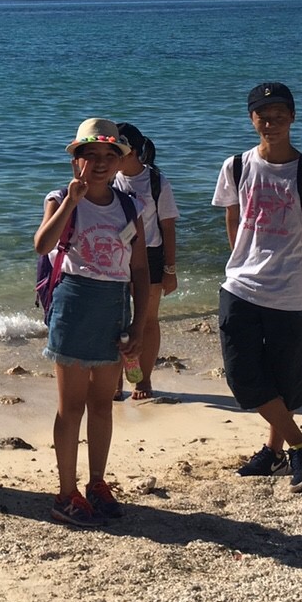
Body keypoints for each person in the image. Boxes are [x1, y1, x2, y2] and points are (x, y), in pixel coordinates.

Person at [212, 83, 302, 492]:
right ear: (251, 119)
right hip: (240, 286)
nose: (271, 123)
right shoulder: (235, 166)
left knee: (281, 379)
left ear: (293, 117)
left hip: (288, 293)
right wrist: (242, 256)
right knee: (243, 377)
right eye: (263, 116)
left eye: (279, 115)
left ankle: (275, 454)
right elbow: (233, 215)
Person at [34, 119, 150, 526]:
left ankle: (96, 484)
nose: (99, 163)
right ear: (76, 161)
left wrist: (139, 326)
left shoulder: (130, 206)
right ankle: (65, 493)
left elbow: (139, 270)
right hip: (74, 303)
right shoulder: (61, 198)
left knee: (103, 404)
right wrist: (71, 200)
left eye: (108, 156)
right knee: (71, 408)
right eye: (90, 155)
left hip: (114, 308)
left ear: (120, 162)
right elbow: (42, 244)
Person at [113, 123, 180, 401]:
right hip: (115, 256)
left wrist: (170, 269)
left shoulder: (155, 181)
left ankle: (144, 380)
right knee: (116, 322)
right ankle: (115, 384)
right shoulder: (109, 179)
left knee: (147, 320)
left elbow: (168, 227)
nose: (116, 155)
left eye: (122, 150)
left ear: (137, 151)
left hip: (150, 256)